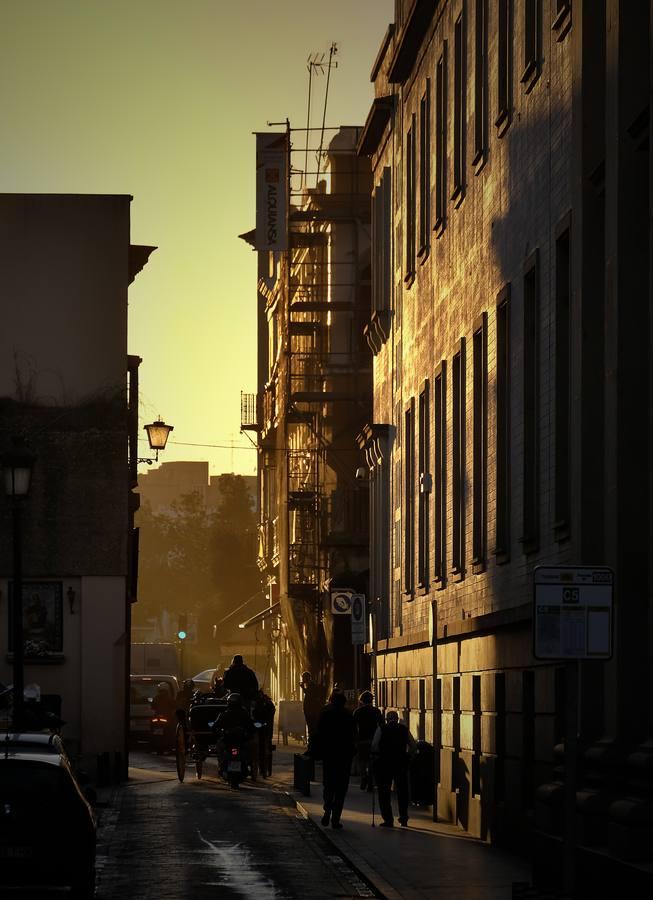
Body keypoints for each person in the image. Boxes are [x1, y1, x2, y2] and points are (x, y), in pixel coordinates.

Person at [312, 691, 355, 830]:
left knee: (329, 785)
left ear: (331, 701)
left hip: (329, 756)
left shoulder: (325, 714)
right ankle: (335, 819)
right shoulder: (349, 715)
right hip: (344, 757)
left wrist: (317, 752)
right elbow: (354, 736)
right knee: (341, 789)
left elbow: (318, 734)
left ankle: (327, 808)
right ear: (344, 702)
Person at [371, 710, 417, 827]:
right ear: (397, 719)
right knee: (402, 791)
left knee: (384, 792)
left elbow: (375, 745)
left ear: (386, 719)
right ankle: (403, 817)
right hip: (400, 763)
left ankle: (388, 819)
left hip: (384, 763)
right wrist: (409, 757)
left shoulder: (381, 729)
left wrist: (376, 756)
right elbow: (413, 745)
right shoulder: (404, 729)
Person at [353, 691, 383, 791]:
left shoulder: (357, 712)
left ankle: (364, 776)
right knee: (372, 761)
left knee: (362, 760)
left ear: (361, 700)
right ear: (371, 700)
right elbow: (382, 726)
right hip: (374, 739)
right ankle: (370, 779)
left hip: (362, 739)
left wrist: (355, 739)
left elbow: (353, 727)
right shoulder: (377, 711)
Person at [252, 689, 276, 778]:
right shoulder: (252, 703)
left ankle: (264, 769)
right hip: (255, 728)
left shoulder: (268, 703)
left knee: (265, 747)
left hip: (265, 729)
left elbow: (271, 713)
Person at [300, 671, 323, 741]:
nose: (303, 680)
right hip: (309, 710)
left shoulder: (311, 685)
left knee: (311, 726)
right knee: (310, 726)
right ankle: (311, 740)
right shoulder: (310, 685)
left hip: (311, 711)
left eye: (303, 678)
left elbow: (310, 695)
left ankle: (312, 741)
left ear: (307, 678)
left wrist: (303, 688)